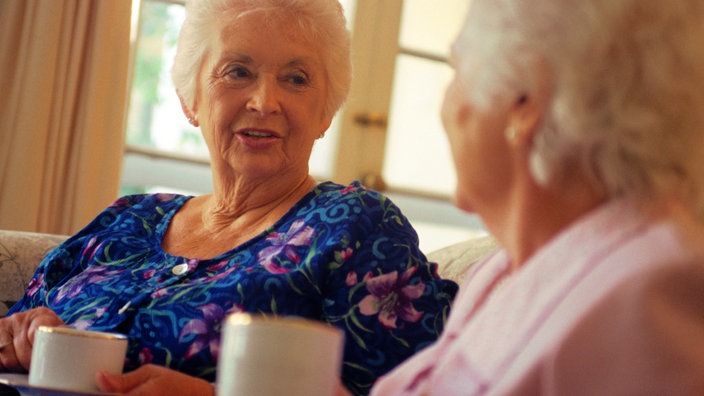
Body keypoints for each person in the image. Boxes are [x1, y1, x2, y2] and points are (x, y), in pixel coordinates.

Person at [0, 0, 458, 395]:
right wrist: (20, 337)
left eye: (296, 79)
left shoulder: (356, 226)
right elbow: (11, 334)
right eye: (237, 71)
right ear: (190, 99)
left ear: (326, 111)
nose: (264, 101)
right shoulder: (129, 218)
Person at [367, 0, 704, 394]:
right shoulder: (497, 273)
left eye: (457, 70)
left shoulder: (652, 292)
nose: (445, 106)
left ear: (524, 101)